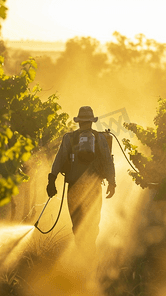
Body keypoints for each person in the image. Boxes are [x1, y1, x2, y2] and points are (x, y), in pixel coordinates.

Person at [47, 106, 116, 256]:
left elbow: (59, 160)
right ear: (91, 122)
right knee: (92, 224)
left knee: (77, 225)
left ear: (79, 122)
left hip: (74, 188)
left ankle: (84, 255)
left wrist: (52, 179)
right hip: (93, 189)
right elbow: (108, 161)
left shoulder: (69, 138)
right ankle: (88, 256)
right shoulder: (100, 138)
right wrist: (112, 182)